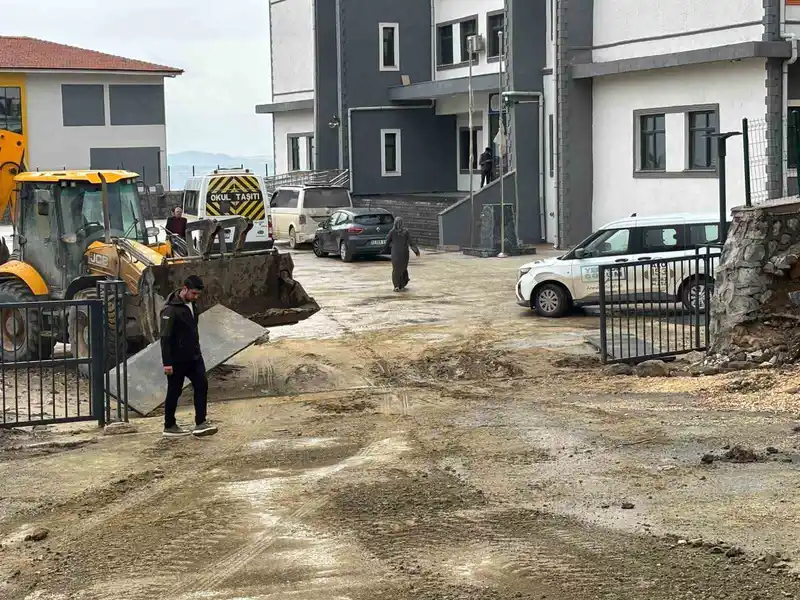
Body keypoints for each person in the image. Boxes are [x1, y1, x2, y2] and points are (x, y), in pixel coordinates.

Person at [160, 275, 217, 438]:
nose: (195, 297)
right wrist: (167, 363)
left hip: (194, 357)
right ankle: (169, 425)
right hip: (177, 360)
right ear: (184, 288)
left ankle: (201, 423)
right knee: (174, 391)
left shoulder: (192, 305)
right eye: (193, 293)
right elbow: (165, 337)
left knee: (202, 385)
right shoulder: (170, 310)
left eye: (197, 294)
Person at [382, 216, 420, 292]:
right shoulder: (406, 232)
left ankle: (396, 286)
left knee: (395, 270)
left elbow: (386, 242)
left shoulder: (392, 232)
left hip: (395, 253)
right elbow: (411, 243)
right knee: (403, 269)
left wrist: (384, 251)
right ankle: (402, 285)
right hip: (404, 254)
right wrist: (416, 252)